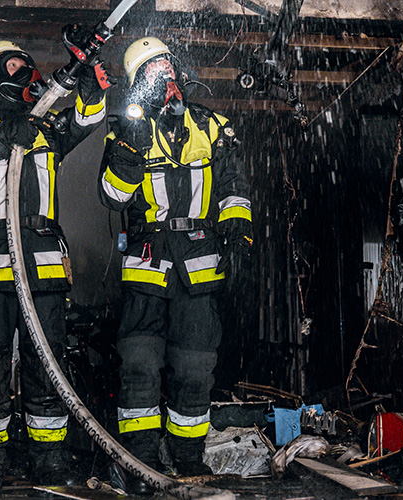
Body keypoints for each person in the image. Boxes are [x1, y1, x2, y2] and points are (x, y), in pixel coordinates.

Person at [0, 40, 107, 496]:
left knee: (46, 363)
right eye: (13, 65)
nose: (25, 72)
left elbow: (86, 120)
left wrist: (90, 86)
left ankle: (49, 460)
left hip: (43, 264)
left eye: (27, 66)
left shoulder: (45, 125)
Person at [97, 37, 253, 493]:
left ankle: (188, 459)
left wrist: (239, 236)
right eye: (151, 69)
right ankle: (141, 462)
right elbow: (112, 196)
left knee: (195, 367)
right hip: (147, 264)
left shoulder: (212, 125)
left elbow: (233, 188)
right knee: (139, 365)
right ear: (137, 85)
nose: (163, 73)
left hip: (200, 263)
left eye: (166, 64)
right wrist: (131, 147)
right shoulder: (126, 130)